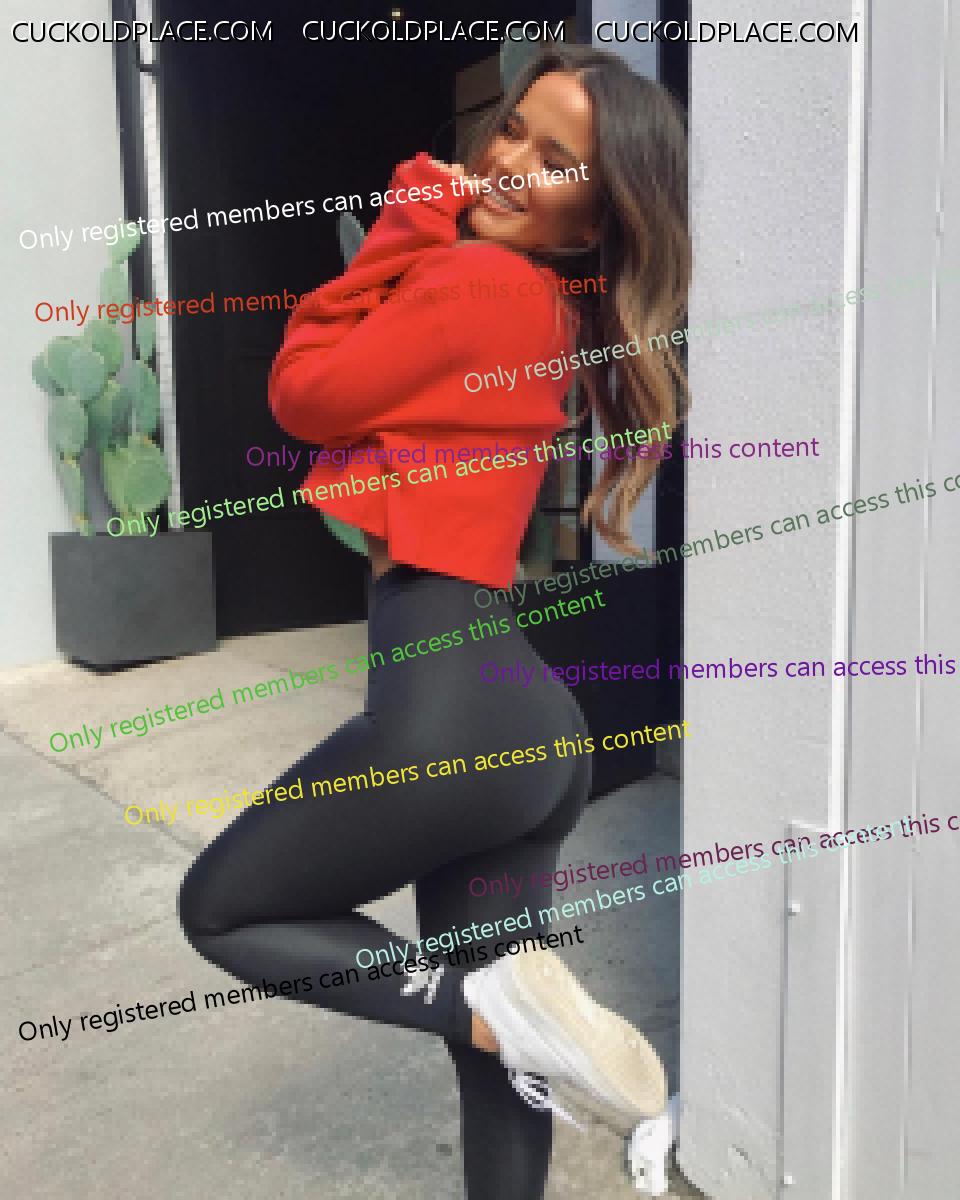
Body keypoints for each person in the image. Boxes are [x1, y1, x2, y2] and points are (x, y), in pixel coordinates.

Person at [178, 44, 690, 1199]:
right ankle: (502, 1015)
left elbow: (303, 392)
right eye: (514, 128)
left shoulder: (482, 283)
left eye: (558, 161)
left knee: (224, 908)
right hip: (527, 725)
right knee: (504, 1067)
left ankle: (488, 1008)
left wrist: (408, 222)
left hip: (450, 708)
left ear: (594, 218)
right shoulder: (547, 311)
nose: (510, 162)